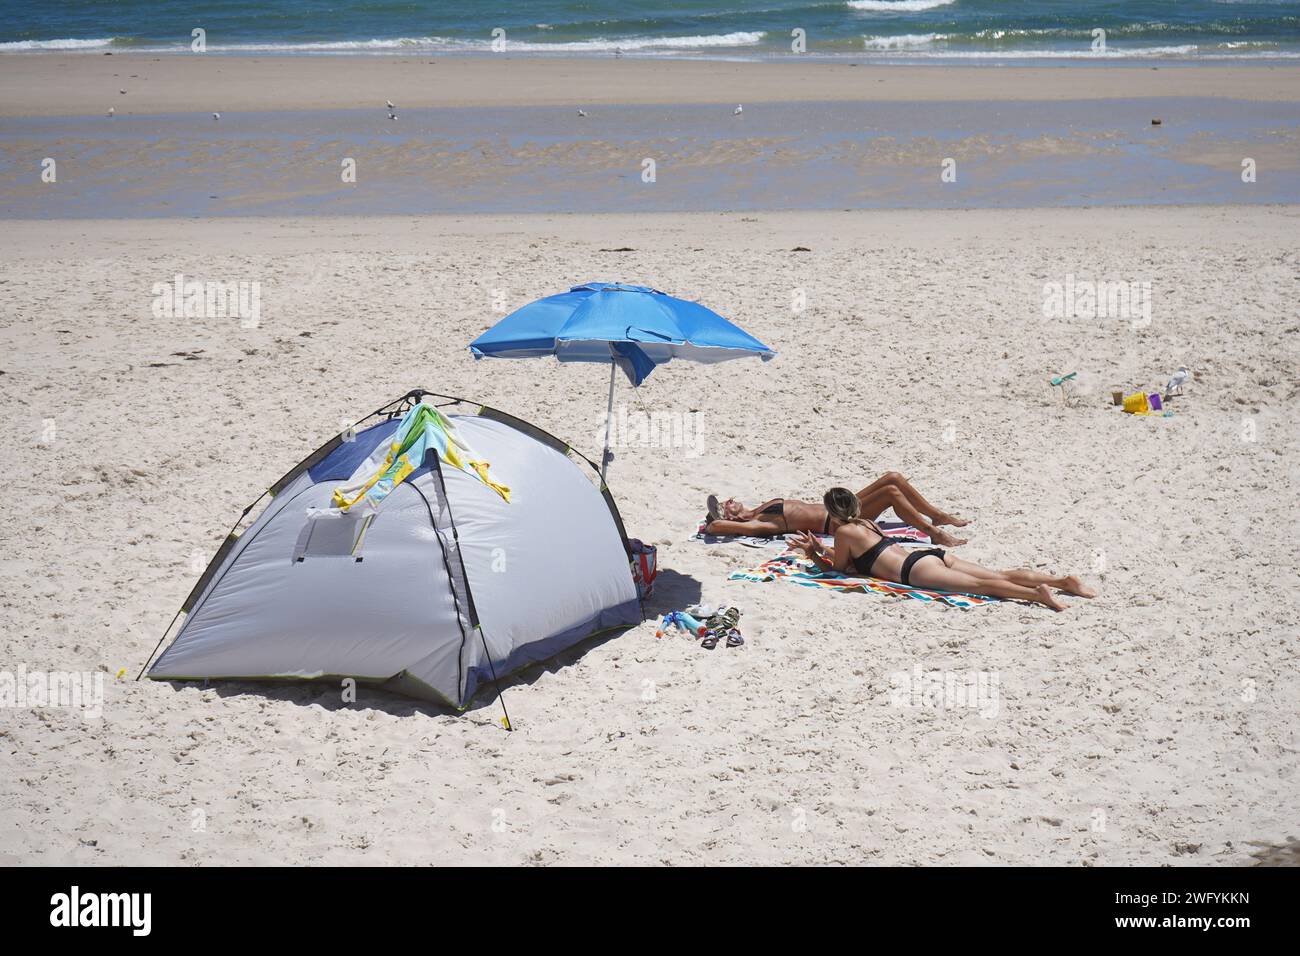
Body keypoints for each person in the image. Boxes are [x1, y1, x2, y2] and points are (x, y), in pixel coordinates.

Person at [790, 487, 1096, 611]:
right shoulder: (868, 523)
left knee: (982, 586)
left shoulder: (843, 532)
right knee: (997, 573)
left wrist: (815, 554)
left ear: (832, 512)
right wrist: (820, 548)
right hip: (927, 556)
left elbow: (842, 570)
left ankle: (1037, 595)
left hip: (915, 571)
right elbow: (863, 556)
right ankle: (1063, 582)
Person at [705, 471, 967, 547]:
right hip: (840, 520)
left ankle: (936, 515)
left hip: (837, 508)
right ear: (730, 515)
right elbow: (715, 527)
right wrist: (723, 521)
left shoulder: (759, 510)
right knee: (891, 493)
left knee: (893, 478)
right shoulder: (760, 524)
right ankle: (934, 533)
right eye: (726, 504)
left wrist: (731, 516)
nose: (730, 500)